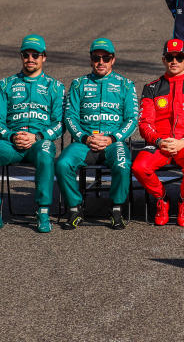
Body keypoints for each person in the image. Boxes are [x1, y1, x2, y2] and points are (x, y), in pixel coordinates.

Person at [0, 35, 64, 233]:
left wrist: (38, 137)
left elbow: (59, 124)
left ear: (44, 57)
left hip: (39, 141)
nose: (30, 58)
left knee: (45, 151)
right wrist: (10, 136)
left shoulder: (55, 87)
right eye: (26, 54)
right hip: (11, 142)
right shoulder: (5, 84)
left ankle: (43, 213)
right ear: (21, 56)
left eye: (35, 55)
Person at [56, 38, 137, 231]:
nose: (101, 62)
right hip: (84, 142)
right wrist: (84, 137)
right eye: (96, 58)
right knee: (61, 163)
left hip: (113, 141)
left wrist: (112, 138)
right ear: (91, 60)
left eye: (106, 58)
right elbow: (70, 117)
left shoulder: (126, 85)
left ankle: (116, 209)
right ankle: (75, 208)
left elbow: (132, 119)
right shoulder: (78, 84)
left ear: (113, 60)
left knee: (123, 163)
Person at [132, 39, 184, 227]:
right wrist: (159, 141)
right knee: (139, 167)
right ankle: (162, 199)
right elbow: (144, 123)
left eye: (179, 57)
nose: (174, 61)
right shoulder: (151, 88)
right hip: (160, 142)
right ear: (163, 60)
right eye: (170, 57)